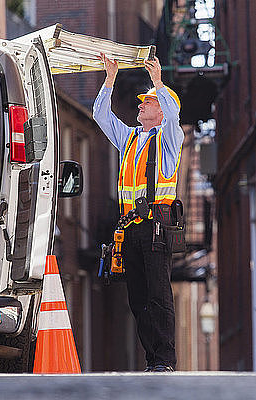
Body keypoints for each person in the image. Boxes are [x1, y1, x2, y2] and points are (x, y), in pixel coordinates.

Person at [93, 53, 183, 372]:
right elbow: (100, 115)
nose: (141, 105)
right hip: (130, 228)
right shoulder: (130, 137)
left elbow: (174, 119)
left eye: (148, 102)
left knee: (159, 295)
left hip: (157, 226)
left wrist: (159, 82)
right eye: (142, 101)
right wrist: (110, 78)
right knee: (138, 298)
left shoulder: (169, 139)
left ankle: (165, 359)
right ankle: (152, 359)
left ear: (161, 110)